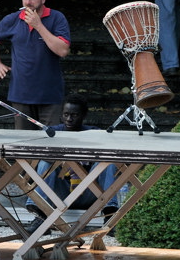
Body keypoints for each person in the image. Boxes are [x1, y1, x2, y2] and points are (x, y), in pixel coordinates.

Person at [25, 95, 118, 233]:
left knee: (108, 162)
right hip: (62, 192)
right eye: (66, 114)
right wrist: (63, 161)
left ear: (83, 115)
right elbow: (38, 152)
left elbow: (112, 151)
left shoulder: (95, 133)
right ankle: (41, 214)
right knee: (45, 162)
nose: (69, 119)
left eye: (74, 115)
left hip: (90, 192)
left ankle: (110, 216)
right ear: (61, 115)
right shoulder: (52, 132)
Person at [0, 0, 71, 130]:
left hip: (50, 94)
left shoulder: (57, 18)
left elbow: (63, 51)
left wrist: (38, 25)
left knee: (52, 144)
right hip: (21, 94)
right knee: (23, 144)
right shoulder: (14, 19)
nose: (28, 2)